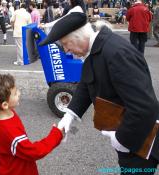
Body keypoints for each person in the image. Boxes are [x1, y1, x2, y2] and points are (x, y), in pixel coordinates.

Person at [39, 10, 159, 175]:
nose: (66, 50)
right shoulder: (96, 48)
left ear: (78, 37)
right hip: (130, 136)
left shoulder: (116, 53)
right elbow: (87, 81)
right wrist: (69, 116)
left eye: (66, 44)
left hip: (141, 141)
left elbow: (144, 107)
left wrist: (121, 140)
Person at [0, 73, 63, 175]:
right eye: (15, 93)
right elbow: (34, 152)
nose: (19, 93)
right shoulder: (10, 132)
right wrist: (56, 135)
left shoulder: (2, 114)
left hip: (9, 166)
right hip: (19, 171)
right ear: (4, 104)